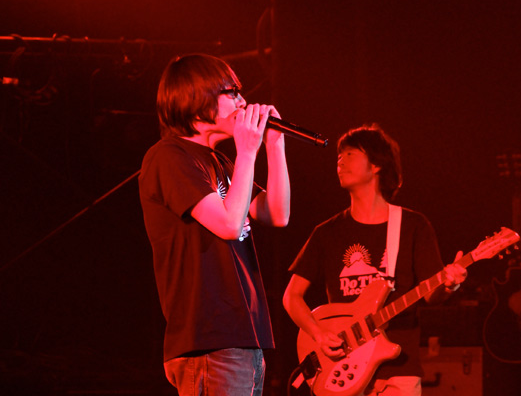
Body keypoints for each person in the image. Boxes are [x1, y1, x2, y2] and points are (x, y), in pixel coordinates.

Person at [138, 53, 290, 396]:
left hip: (242, 335)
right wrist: (247, 152)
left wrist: (274, 145)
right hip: (209, 337)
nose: (243, 102)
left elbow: (277, 213)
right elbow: (229, 225)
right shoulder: (169, 157)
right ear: (195, 101)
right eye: (231, 93)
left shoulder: (219, 161)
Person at [283, 124, 466, 396]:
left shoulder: (413, 226)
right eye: (339, 156)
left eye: (350, 154)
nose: (340, 161)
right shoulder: (326, 233)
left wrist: (450, 284)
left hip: (398, 371)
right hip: (341, 369)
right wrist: (318, 334)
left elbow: (432, 294)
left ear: (376, 165)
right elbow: (292, 297)